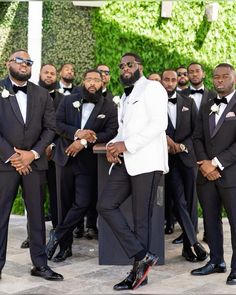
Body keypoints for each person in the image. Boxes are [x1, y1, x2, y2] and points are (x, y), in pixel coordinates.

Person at [97, 52, 169, 290]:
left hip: (147, 162)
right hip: (126, 161)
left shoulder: (153, 88)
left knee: (141, 221)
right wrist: (112, 145)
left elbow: (160, 124)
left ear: (140, 66)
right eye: (121, 66)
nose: (124, 68)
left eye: (129, 64)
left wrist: (125, 145)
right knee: (105, 205)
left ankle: (139, 273)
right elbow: (123, 130)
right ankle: (142, 256)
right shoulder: (126, 97)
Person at [0, 49, 63, 281]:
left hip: (35, 165)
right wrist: (14, 157)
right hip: (4, 165)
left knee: (36, 217)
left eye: (28, 62)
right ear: (9, 63)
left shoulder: (42, 94)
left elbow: (51, 128)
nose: (24, 65)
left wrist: (33, 154)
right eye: (20, 60)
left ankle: (40, 264)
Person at [45, 69, 118, 262]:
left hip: (88, 163)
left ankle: (57, 234)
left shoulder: (109, 107)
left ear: (103, 83)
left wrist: (84, 142)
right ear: (83, 81)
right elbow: (56, 124)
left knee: (83, 203)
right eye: (89, 79)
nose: (93, 83)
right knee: (63, 205)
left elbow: (111, 131)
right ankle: (65, 247)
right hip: (65, 158)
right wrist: (78, 133)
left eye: (97, 80)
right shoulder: (68, 100)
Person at [191, 63, 236, 286]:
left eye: (224, 77)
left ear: (233, 79)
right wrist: (203, 164)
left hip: (231, 175)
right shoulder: (208, 103)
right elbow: (196, 136)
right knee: (210, 220)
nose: (219, 80)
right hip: (205, 175)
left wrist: (216, 163)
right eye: (216, 77)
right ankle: (216, 260)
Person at [162, 69, 207, 262]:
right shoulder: (152, 104)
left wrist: (180, 146)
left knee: (189, 201)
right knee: (178, 200)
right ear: (162, 81)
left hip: (187, 158)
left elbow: (197, 131)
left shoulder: (188, 102)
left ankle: (189, 246)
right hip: (165, 159)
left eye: (173, 80)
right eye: (167, 79)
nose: (170, 83)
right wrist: (165, 141)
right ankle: (193, 243)